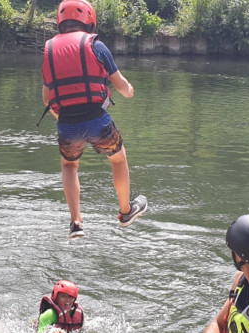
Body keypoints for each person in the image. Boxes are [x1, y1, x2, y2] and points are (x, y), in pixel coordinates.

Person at [41, 0, 147, 238]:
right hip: (97, 122)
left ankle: (76, 222)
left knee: (69, 165)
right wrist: (131, 91)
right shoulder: (96, 46)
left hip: (67, 124)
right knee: (118, 159)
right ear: (89, 20)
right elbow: (121, 86)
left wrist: (61, 115)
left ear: (60, 22)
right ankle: (126, 211)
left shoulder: (49, 50)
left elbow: (47, 96)